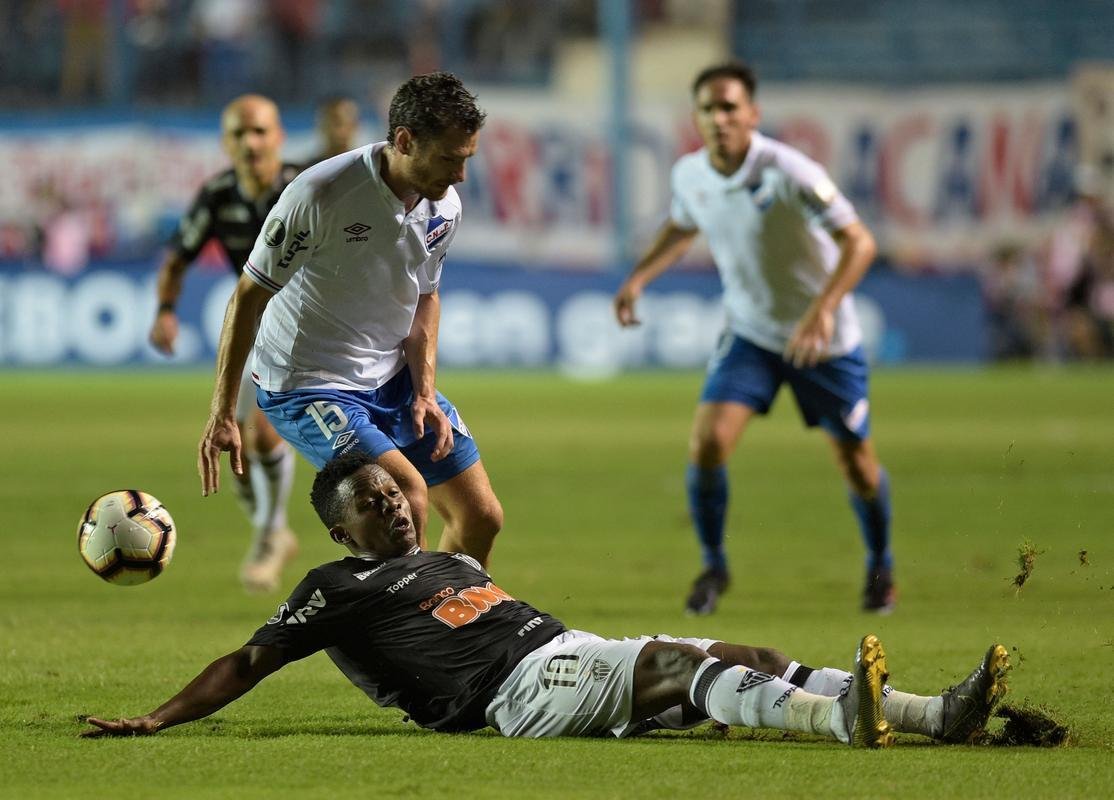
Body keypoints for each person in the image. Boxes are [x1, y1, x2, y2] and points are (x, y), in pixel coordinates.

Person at [82, 452, 1011, 745]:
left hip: (564, 656)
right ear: (339, 530)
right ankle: (847, 723)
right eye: (370, 502)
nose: (395, 503)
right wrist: (158, 719)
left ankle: (935, 715)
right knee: (677, 664)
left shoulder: (448, 561)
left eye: (396, 491)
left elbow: (463, 520)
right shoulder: (337, 587)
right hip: (511, 693)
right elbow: (251, 660)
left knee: (751, 659)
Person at [613, 62, 894, 615]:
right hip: (752, 335)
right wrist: (638, 278)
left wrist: (823, 308)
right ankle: (714, 565)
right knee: (708, 443)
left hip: (824, 341)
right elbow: (683, 224)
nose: (719, 118)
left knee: (857, 463)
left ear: (753, 114)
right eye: (708, 109)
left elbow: (860, 243)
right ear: (696, 117)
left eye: (730, 108)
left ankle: (880, 565)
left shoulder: (790, 171)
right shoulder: (690, 174)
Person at [197, 72, 503, 567]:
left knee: (480, 517)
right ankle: (411, 639)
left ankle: (452, 627)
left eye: (466, 158)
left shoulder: (445, 204)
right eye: (450, 158)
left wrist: (424, 391)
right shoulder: (321, 195)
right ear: (404, 141)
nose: (460, 175)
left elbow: (426, 296)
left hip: (390, 375)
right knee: (404, 495)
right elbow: (248, 296)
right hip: (307, 383)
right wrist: (223, 411)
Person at [151, 94, 302, 593]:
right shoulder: (217, 195)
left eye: (259, 131)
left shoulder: (305, 188)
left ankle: (268, 537)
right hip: (254, 323)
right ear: (226, 143)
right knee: (234, 449)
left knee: (261, 433)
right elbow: (176, 261)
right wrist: (166, 312)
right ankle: (272, 526)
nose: (250, 142)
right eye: (239, 133)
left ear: (279, 136)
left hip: (311, 323)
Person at [304, 95, 361, 167]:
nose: (340, 131)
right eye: (337, 123)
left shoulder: (371, 169)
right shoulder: (309, 171)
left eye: (341, 123)